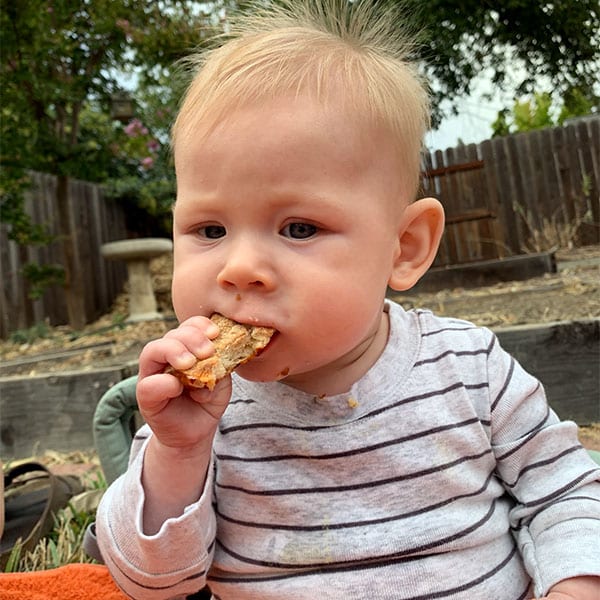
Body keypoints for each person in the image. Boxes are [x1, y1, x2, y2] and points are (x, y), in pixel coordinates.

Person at [94, 1, 600, 598]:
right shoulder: (193, 414)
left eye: (300, 229)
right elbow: (151, 584)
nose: (239, 268)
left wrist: (573, 582)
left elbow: (565, 490)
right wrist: (178, 457)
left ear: (404, 247)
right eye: (209, 231)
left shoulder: (469, 369)